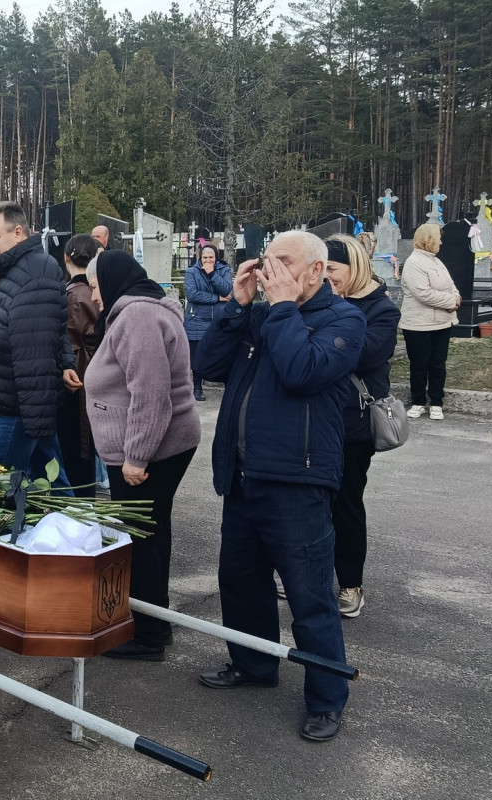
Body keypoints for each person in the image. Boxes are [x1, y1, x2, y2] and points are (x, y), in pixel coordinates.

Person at [194, 230, 366, 743]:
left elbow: (300, 370)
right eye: (266, 261)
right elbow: (207, 366)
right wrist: (238, 306)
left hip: (298, 480)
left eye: (283, 263)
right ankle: (253, 664)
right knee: (241, 583)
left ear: (316, 270)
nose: (270, 272)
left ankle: (327, 698)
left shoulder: (343, 320)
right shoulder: (262, 311)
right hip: (245, 477)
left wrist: (282, 308)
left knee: (310, 596)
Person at [86, 250, 199, 661]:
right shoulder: (138, 312)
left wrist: (136, 456)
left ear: (113, 280)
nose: (94, 296)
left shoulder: (136, 317)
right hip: (154, 447)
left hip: (149, 452)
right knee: (149, 534)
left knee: (143, 539)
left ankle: (147, 635)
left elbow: (150, 395)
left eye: (96, 286)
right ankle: (153, 623)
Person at [0, 201, 78, 483]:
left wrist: (32, 418)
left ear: (18, 232)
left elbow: (34, 351)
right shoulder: (15, 269)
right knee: (54, 478)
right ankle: (78, 523)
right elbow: (52, 327)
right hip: (17, 398)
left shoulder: (35, 272)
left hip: (19, 405)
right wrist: (65, 361)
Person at [323, 235, 399, 619]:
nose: (325, 276)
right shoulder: (324, 300)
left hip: (354, 421)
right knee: (310, 501)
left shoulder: (382, 309)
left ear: (354, 267)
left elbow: (363, 354)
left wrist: (328, 329)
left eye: (332, 269)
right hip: (318, 415)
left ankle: (350, 584)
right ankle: (311, 573)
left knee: (346, 504)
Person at [398, 223, 462, 421]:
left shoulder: (436, 262)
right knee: (419, 365)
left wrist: (456, 297)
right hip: (418, 325)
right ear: (428, 239)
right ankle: (418, 401)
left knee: (438, 364)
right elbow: (423, 294)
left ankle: (436, 402)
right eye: (438, 238)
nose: (441, 242)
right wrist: (451, 301)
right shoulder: (414, 262)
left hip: (441, 323)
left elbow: (451, 285)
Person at [59, 234, 102, 496]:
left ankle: (79, 500)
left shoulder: (71, 296)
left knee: (74, 444)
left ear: (66, 258)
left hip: (73, 375)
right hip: (95, 372)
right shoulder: (98, 292)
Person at [183, 245, 233, 402]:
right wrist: (216, 298)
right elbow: (192, 295)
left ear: (216, 257)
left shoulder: (223, 270)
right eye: (205, 257)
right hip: (196, 318)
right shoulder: (192, 272)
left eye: (211, 257)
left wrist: (211, 274)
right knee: (197, 354)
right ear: (200, 258)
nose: (208, 260)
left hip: (220, 318)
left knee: (223, 352)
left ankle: (228, 386)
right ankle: (197, 387)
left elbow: (226, 289)